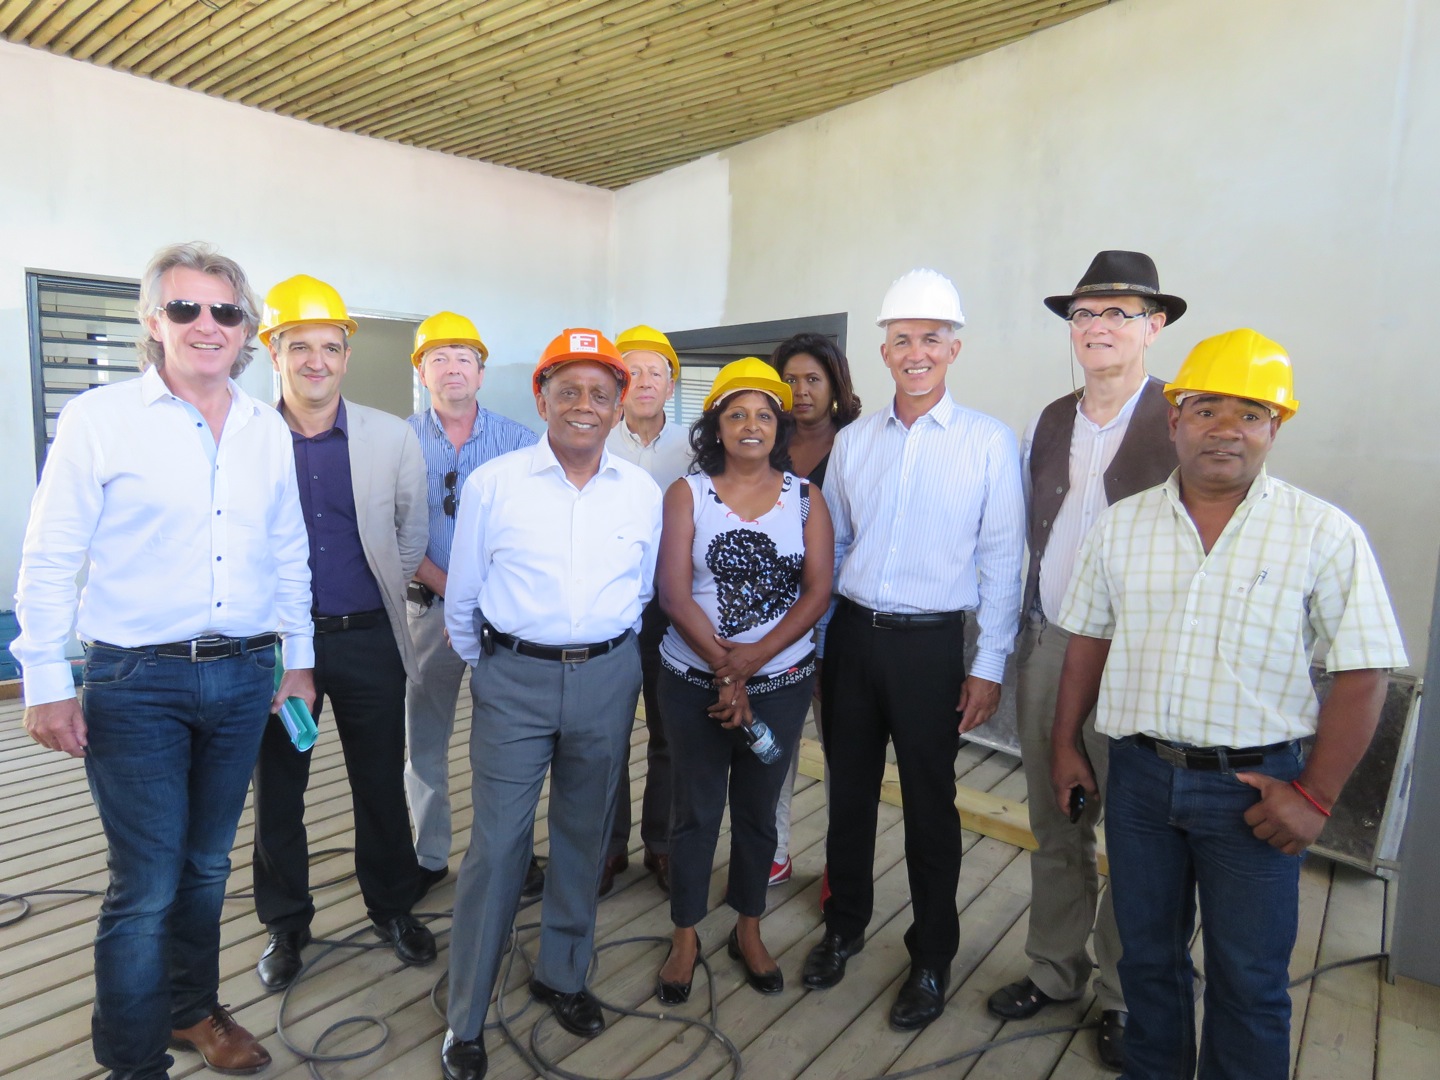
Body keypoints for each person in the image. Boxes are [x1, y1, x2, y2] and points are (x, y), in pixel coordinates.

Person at [1052, 329, 1407, 1080]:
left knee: (1249, 983)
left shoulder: (1322, 533)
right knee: (1146, 962)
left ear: (1276, 428)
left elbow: (1364, 671)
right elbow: (1087, 641)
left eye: (1250, 413)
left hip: (1256, 795)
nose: (1225, 428)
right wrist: (1064, 744)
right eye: (1206, 408)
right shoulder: (1122, 526)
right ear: (1174, 420)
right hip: (1139, 782)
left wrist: (1315, 796)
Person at [12, 241, 315, 1077]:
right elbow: (49, 557)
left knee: (208, 865)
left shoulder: (265, 429)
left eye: (225, 310)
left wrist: (297, 661)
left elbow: (289, 551)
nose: (206, 324)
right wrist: (45, 681)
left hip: (246, 672)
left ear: (246, 328)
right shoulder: (100, 418)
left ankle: (190, 1010)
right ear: (154, 320)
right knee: (145, 882)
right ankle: (134, 1060)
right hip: (135, 681)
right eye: (185, 308)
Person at [800, 268, 1025, 1031]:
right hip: (853, 640)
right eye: (902, 339)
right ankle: (844, 926)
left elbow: (1003, 561)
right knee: (849, 796)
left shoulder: (987, 443)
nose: (917, 352)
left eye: (932, 338)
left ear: (954, 349)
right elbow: (832, 549)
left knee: (931, 808)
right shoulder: (854, 442)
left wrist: (987, 666)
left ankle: (931, 956)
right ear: (884, 351)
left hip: (932, 649)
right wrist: (821, 648)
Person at [440, 329, 662, 1080]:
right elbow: (464, 597)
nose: (584, 405)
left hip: (607, 678)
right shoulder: (494, 484)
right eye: (568, 390)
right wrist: (501, 668)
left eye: (600, 393)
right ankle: (465, 1014)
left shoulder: (640, 493)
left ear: (619, 405)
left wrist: (599, 655)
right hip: (514, 680)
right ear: (541, 399)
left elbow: (640, 589)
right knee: (498, 845)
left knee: (583, 836)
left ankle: (562, 975)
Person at [985, 250, 1184, 1070]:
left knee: (1134, 838)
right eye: (1084, 314)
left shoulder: (1183, 417)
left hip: (1141, 654)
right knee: (1056, 822)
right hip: (1052, 641)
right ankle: (1054, 970)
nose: (1097, 327)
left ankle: (1123, 995)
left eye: (1117, 313)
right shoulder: (1049, 419)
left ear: (1154, 326)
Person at [250, 274, 437, 990]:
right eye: (300, 346)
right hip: (276, 649)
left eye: (330, 347)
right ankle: (286, 924)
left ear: (347, 356)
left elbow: (410, 532)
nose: (316, 361)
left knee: (380, 783)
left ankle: (392, 907)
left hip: (366, 639)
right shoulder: (246, 435)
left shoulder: (390, 437)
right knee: (279, 791)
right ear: (274, 352)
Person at [653, 358, 834, 1004]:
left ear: (779, 426)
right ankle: (685, 935)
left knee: (759, 812)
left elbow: (818, 591)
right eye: (737, 413)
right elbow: (673, 593)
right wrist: (726, 669)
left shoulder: (805, 498)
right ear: (717, 425)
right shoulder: (688, 493)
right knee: (695, 811)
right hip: (691, 680)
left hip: (779, 683)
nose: (751, 425)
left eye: (763, 414)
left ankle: (748, 928)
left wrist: (753, 661)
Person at [401, 312, 540, 898]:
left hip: (500, 617)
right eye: (438, 357)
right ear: (422, 371)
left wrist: (478, 600)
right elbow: (389, 530)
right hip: (426, 612)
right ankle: (428, 855)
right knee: (424, 740)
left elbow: (532, 531)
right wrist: (450, 590)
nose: (452, 367)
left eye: (464, 357)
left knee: (508, 742)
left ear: (481, 372)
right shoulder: (397, 441)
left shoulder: (521, 443)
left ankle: (509, 855)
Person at [765, 332, 861, 887]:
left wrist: (824, 635)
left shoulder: (857, 445)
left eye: (813, 379)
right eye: (790, 380)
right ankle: (772, 849)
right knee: (771, 743)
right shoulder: (763, 440)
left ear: (835, 385)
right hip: (769, 620)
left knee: (840, 750)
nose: (800, 391)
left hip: (838, 621)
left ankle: (838, 866)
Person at [600, 324, 692, 896]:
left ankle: (661, 843)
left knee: (669, 732)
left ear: (670, 384)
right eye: (633, 371)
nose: (645, 381)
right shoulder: (593, 438)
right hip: (608, 606)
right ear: (619, 381)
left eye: (656, 372)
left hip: (672, 608)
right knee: (605, 733)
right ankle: (607, 846)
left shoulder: (695, 447)